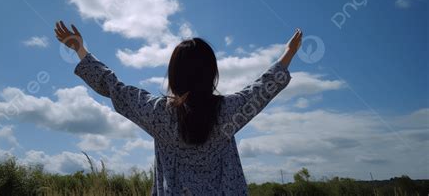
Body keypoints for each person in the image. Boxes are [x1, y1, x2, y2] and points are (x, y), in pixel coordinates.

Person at [54, 21, 302, 196]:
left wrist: (80, 49)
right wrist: (288, 53)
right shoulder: (229, 111)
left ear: (173, 75)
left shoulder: (158, 113)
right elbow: (262, 89)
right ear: (212, 74)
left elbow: (113, 87)